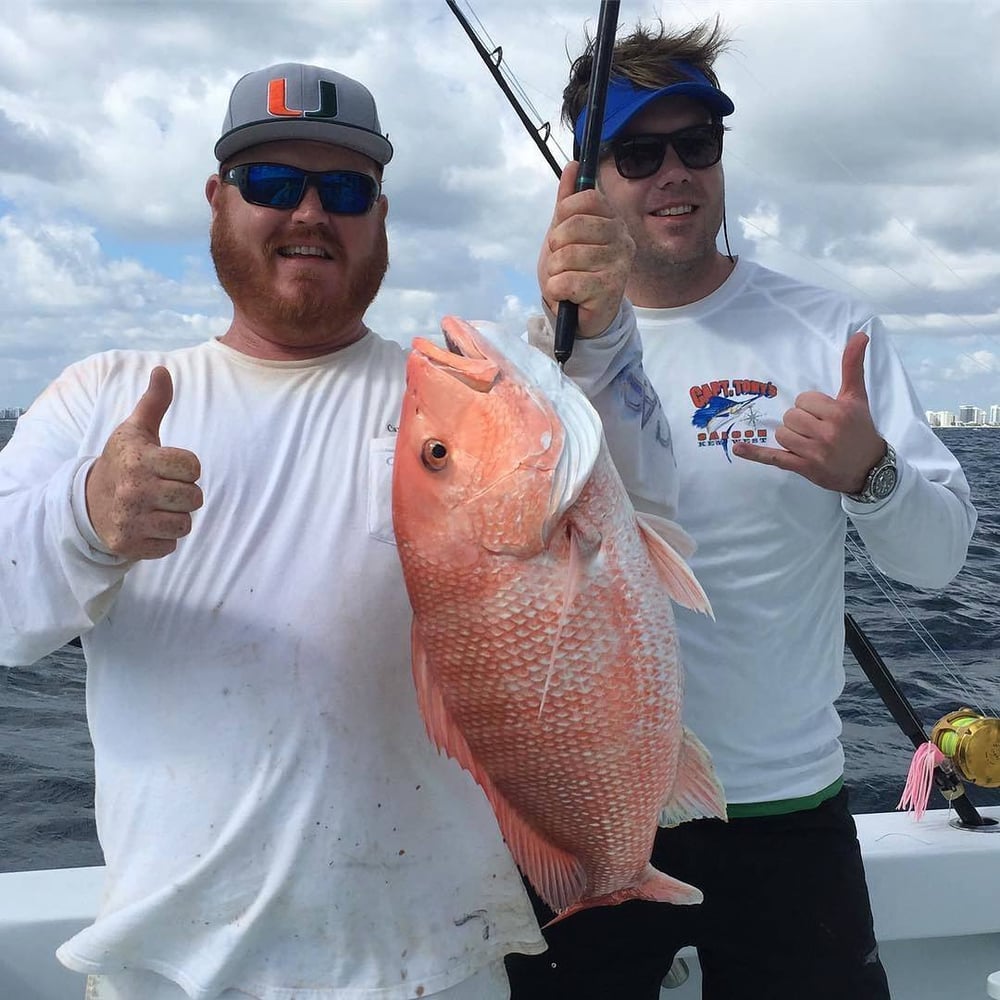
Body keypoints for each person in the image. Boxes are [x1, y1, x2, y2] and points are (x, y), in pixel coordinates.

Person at [0, 63, 672, 1000]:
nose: (310, 212)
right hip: (173, 974)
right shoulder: (104, 396)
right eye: (273, 184)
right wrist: (85, 515)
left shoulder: (442, 393)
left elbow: (643, 496)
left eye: (346, 190)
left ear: (383, 216)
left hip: (442, 966)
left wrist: (601, 333)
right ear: (215, 200)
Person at [505, 19, 978, 1000]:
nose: (675, 173)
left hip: (786, 815)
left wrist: (873, 476)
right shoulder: (532, 361)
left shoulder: (830, 330)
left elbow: (938, 560)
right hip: (592, 807)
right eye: (639, 152)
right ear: (583, 182)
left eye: (697, 144)